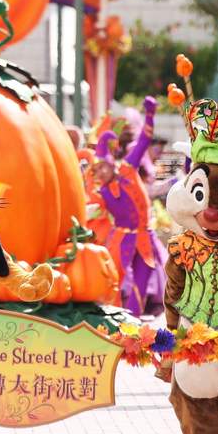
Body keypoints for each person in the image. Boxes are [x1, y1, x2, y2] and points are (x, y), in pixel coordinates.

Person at [87, 96, 165, 315]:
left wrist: (150, 116)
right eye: (96, 170)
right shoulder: (101, 193)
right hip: (121, 240)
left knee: (143, 280)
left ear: (112, 162)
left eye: (103, 167)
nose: (100, 173)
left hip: (144, 237)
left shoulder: (128, 169)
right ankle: (113, 320)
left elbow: (143, 141)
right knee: (116, 281)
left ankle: (134, 325)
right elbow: (90, 210)